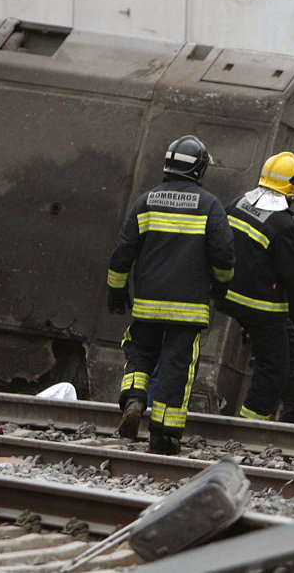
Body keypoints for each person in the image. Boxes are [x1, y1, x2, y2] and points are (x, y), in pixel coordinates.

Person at [108, 135, 234, 455]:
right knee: (178, 364)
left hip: (148, 303)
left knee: (140, 353)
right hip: (188, 307)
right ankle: (164, 434)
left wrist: (116, 287)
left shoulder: (145, 201)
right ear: (200, 169)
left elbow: (123, 251)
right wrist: (221, 286)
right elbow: (224, 255)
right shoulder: (209, 205)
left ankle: (135, 399)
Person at [216, 151, 294, 422]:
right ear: (292, 186)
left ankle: (291, 415)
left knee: (290, 344)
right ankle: (248, 426)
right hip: (260, 305)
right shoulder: (283, 225)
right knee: (275, 368)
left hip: (229, 295)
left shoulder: (236, 204)